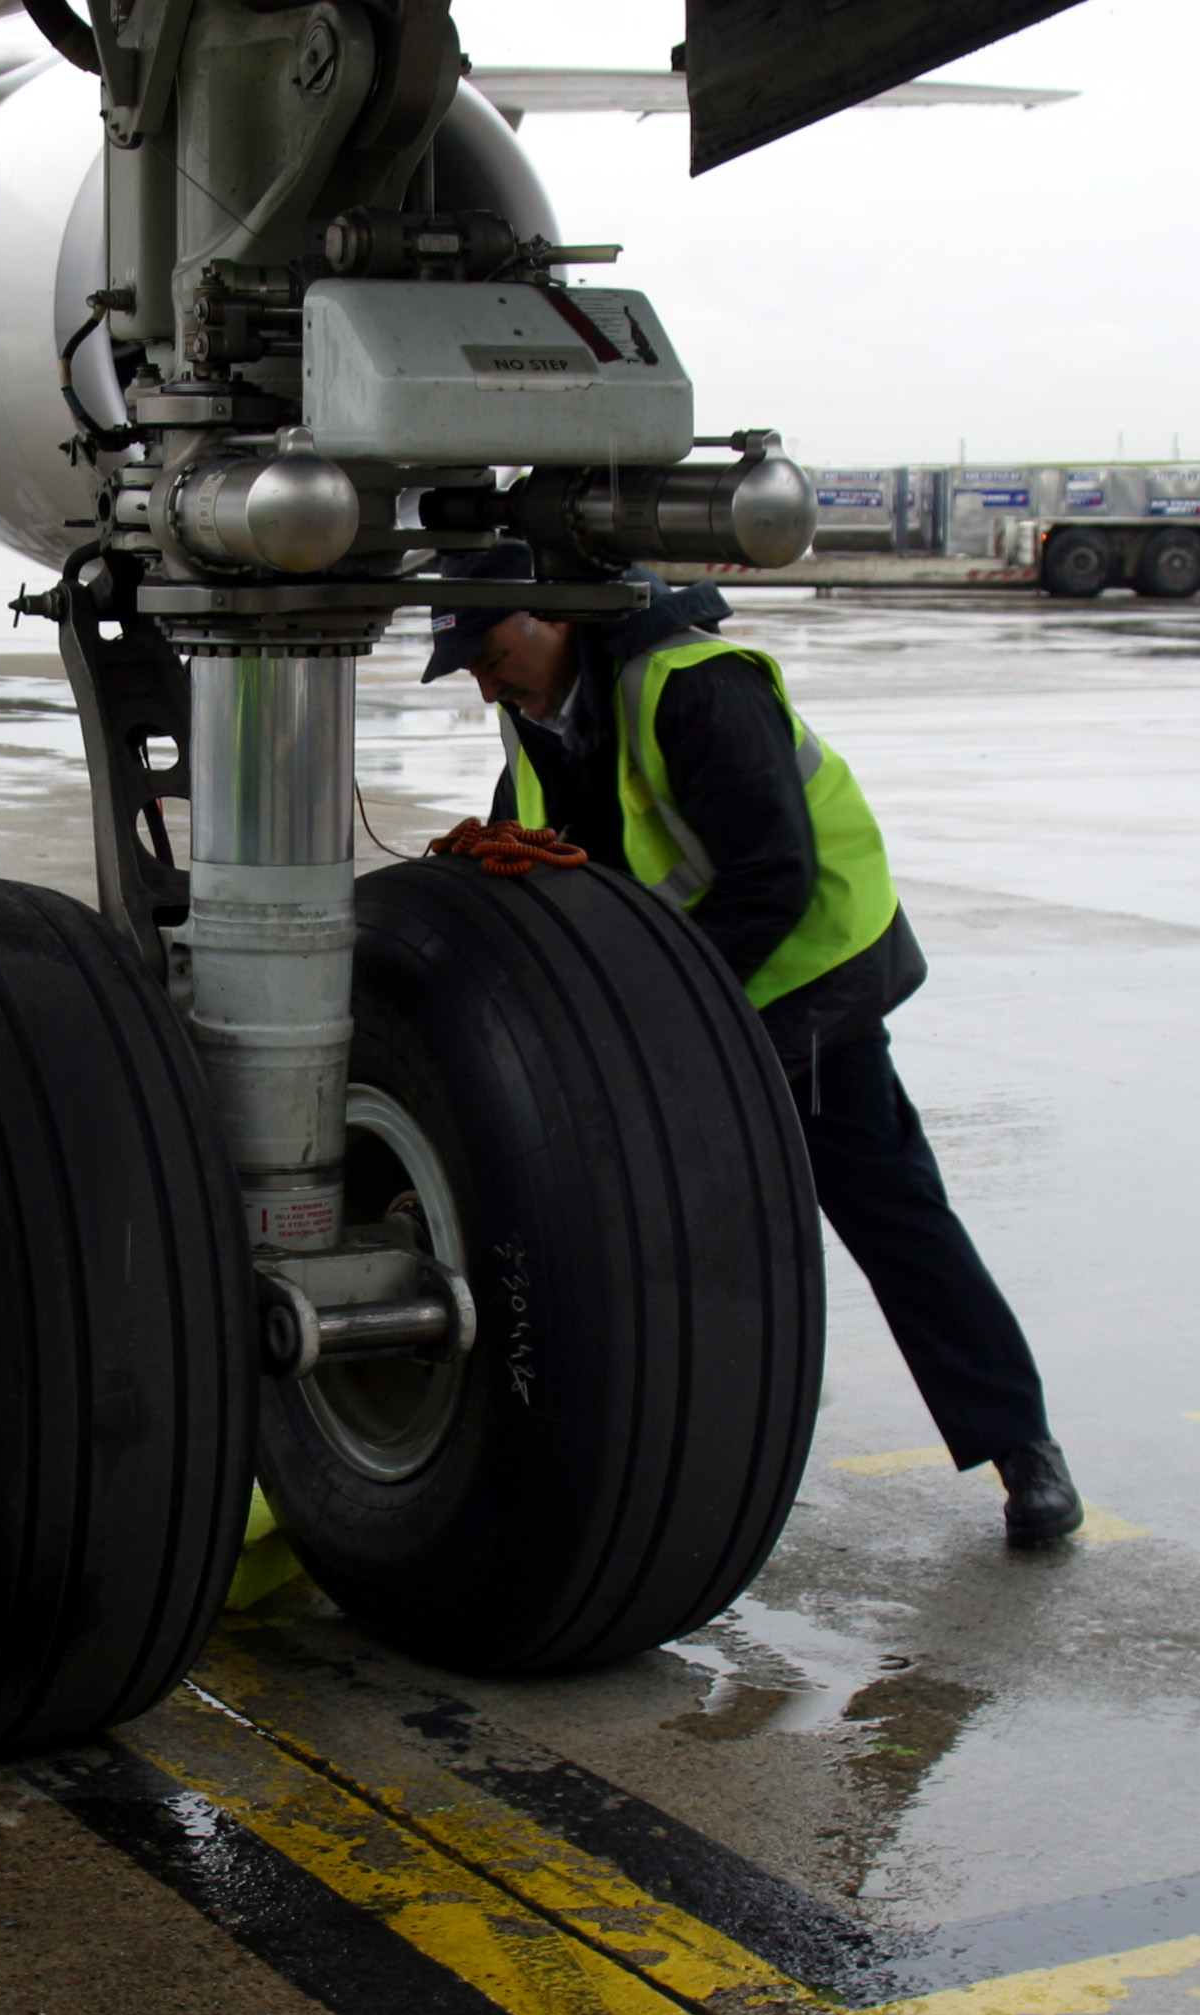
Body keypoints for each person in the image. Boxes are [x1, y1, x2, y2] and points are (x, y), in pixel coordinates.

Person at [427, 544, 1084, 1547]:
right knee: (653, 1238)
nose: (484, 684)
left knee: (895, 1218)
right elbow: (550, 867)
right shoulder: (537, 718)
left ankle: (1021, 1447)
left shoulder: (695, 687)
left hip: (808, 991)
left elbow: (775, 874)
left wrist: (664, 1007)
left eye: (488, 654)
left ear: (552, 615)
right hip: (684, 1007)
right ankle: (674, 1466)